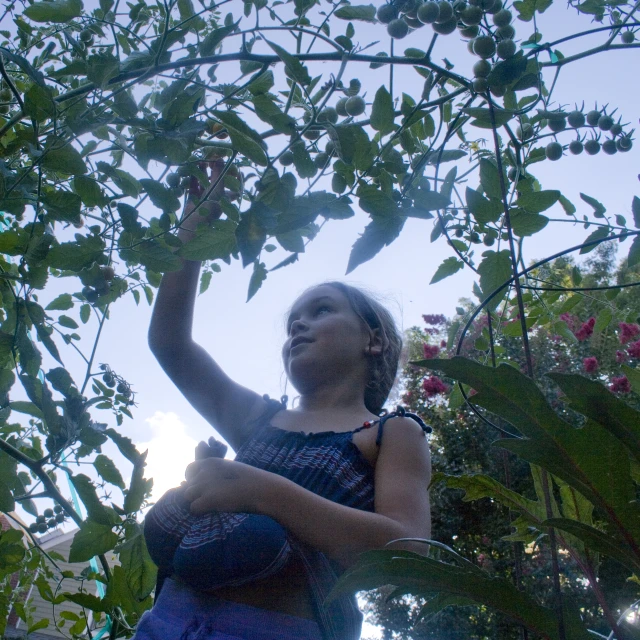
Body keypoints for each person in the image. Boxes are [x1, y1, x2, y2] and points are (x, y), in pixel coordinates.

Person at [136, 158, 432, 640]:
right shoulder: (261, 419)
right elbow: (170, 343)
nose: (298, 324)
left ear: (372, 340)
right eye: (293, 318)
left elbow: (407, 552)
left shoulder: (390, 433)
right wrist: (198, 223)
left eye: (321, 310)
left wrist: (260, 491)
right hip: (167, 622)